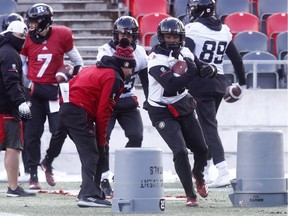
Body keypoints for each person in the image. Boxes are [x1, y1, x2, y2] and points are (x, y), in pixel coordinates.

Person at [147, 17, 217, 207]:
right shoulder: (155, 60)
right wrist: (193, 72)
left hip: (182, 104)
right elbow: (171, 84)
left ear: (181, 38)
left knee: (202, 149)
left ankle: (198, 175)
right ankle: (190, 194)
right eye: (168, 37)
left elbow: (198, 64)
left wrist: (208, 68)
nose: (172, 41)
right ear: (161, 38)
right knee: (179, 150)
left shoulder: (185, 51)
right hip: (161, 110)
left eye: (175, 37)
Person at [59, 38, 136, 207]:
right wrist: (102, 140)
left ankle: (90, 191)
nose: (131, 74)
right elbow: (103, 111)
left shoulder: (94, 69)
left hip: (67, 109)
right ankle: (88, 195)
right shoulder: (113, 77)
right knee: (93, 153)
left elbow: (70, 85)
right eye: (130, 69)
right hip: (78, 112)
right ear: (125, 65)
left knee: (91, 152)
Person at [20, 3, 84, 189]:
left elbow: (77, 62)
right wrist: (29, 84)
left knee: (60, 131)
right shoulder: (27, 39)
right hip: (35, 92)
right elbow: (21, 65)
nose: (30, 26)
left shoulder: (62, 34)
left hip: (55, 92)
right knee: (32, 133)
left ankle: (47, 161)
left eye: (33, 22)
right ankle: (33, 173)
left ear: (44, 22)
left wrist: (68, 78)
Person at [185, 0, 247, 188]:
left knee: (208, 127)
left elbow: (186, 54)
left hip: (200, 83)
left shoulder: (193, 29)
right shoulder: (223, 30)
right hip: (219, 83)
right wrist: (242, 84)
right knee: (206, 126)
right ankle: (206, 169)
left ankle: (222, 171)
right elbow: (237, 59)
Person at [96, 15, 148, 196]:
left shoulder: (140, 53)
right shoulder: (105, 49)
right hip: (108, 101)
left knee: (137, 136)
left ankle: (122, 172)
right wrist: (123, 57)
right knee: (103, 140)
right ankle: (103, 177)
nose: (125, 39)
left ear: (136, 36)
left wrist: (149, 99)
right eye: (121, 35)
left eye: (130, 35)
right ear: (115, 35)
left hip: (127, 99)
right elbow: (103, 62)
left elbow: (145, 78)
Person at [0, 20, 35, 197]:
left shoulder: (3, 50)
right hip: (6, 109)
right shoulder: (9, 54)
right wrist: (21, 102)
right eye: (22, 36)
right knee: (13, 146)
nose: (23, 39)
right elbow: (11, 82)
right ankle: (13, 187)